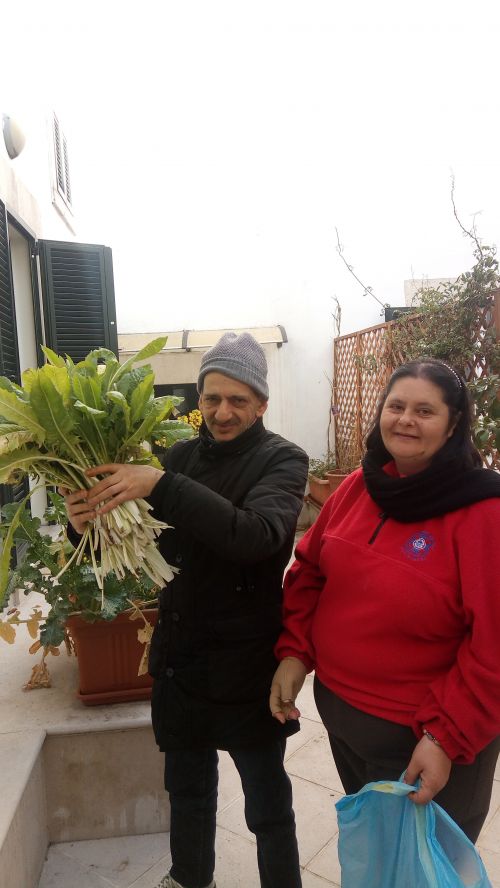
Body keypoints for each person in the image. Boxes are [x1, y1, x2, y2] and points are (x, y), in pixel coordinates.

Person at [64, 331, 308, 888]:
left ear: (261, 404)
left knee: (266, 804)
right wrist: (93, 526)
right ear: (198, 399)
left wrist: (162, 484)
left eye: (237, 400)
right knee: (189, 793)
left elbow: (258, 537)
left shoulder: (284, 461)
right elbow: (155, 548)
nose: (222, 412)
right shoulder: (179, 457)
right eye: (211, 397)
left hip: (248, 667)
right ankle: (189, 878)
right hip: (181, 658)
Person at [270, 358, 500, 843]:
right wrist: (296, 650)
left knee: (426, 871)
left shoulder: (482, 512)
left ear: (454, 423)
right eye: (395, 406)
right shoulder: (359, 486)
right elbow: (309, 569)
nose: (405, 420)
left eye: (424, 410)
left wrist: (445, 736)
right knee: (380, 854)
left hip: (425, 743)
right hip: (346, 723)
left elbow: (494, 645)